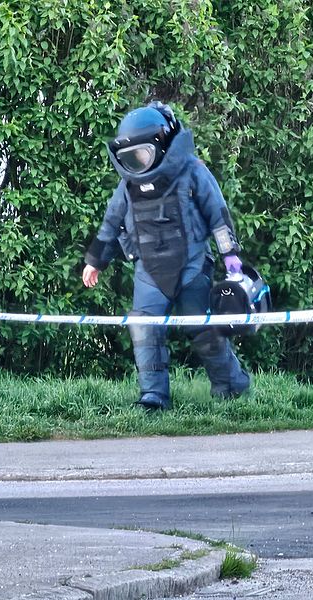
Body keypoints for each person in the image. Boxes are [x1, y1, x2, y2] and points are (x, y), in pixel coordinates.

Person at [82, 102, 250, 411]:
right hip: (149, 271)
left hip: (193, 266)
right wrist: (95, 261)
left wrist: (231, 258)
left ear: (161, 144)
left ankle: (232, 387)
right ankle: (154, 397)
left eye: (142, 155)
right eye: (129, 158)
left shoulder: (193, 171)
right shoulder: (127, 186)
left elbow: (218, 216)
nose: (136, 163)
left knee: (203, 330)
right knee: (144, 329)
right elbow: (111, 223)